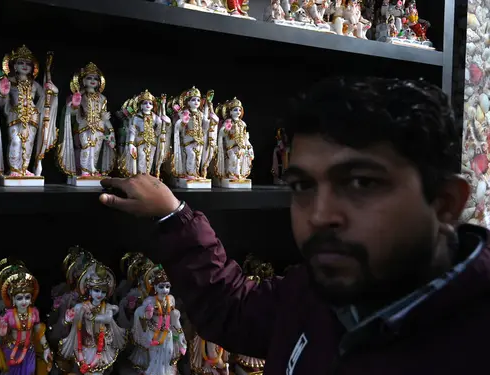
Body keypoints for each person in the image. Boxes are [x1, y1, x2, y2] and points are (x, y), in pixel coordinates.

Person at [98, 77, 490, 375]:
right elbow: (233, 308)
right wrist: (173, 213)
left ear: (444, 203)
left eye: (361, 183)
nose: (319, 215)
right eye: (302, 186)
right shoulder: (316, 292)